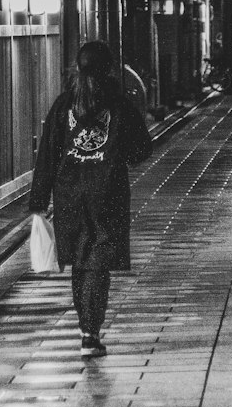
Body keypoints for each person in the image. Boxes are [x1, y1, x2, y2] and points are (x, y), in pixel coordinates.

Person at [29, 40, 153, 357]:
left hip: (69, 193)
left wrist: (39, 200)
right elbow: (142, 149)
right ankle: (91, 333)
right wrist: (116, 154)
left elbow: (48, 153)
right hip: (107, 191)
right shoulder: (119, 103)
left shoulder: (63, 104)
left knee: (79, 262)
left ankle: (85, 327)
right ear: (110, 69)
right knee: (98, 261)